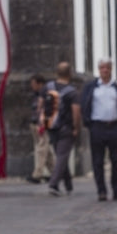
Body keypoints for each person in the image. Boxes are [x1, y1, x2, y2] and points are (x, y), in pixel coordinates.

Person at [80, 57, 117, 201]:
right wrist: (89, 123)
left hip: (114, 127)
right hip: (97, 127)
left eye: (107, 68)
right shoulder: (91, 87)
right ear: (99, 70)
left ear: (111, 70)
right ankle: (101, 191)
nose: (105, 70)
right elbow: (84, 105)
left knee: (116, 161)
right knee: (98, 161)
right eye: (102, 68)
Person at [46, 62, 80, 196]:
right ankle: (53, 184)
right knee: (62, 155)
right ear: (70, 74)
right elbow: (76, 111)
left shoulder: (48, 87)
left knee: (61, 155)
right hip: (66, 127)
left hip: (51, 126)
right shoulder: (72, 92)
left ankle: (68, 184)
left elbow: (41, 105)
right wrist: (76, 127)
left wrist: (41, 123)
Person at [27, 73, 53, 183]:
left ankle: (37, 173)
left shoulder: (46, 94)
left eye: (34, 84)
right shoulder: (36, 94)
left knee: (41, 149)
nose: (32, 86)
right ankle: (56, 171)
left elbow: (44, 110)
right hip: (35, 123)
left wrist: (42, 123)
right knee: (46, 150)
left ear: (40, 84)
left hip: (41, 123)